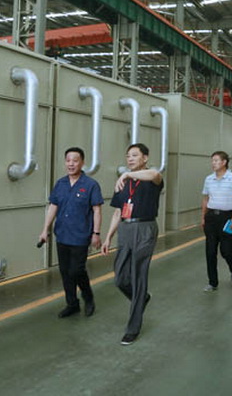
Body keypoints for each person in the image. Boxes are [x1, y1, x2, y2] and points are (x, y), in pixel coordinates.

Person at [101, 143, 163, 345]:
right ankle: (141, 297)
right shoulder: (123, 183)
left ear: (145, 158)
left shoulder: (151, 178)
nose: (130, 159)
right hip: (125, 229)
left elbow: (155, 174)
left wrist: (128, 174)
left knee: (138, 275)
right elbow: (118, 212)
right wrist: (108, 237)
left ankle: (132, 328)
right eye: (128, 156)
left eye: (135, 155)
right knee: (120, 278)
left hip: (144, 228)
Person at [39, 147, 103, 318]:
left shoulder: (90, 185)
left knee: (76, 270)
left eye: (75, 160)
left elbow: (97, 210)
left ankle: (88, 297)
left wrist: (96, 233)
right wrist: (45, 229)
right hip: (62, 235)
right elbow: (53, 207)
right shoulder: (60, 184)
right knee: (65, 272)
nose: (71, 164)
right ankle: (72, 304)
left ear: (82, 163)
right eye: (68, 160)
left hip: (81, 236)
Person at [201, 151, 232, 292]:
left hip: (227, 218)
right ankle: (213, 282)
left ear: (224, 162)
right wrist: (203, 217)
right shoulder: (208, 179)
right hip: (211, 217)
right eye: (212, 161)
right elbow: (205, 199)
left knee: (226, 250)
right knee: (210, 251)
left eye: (216, 160)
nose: (213, 163)